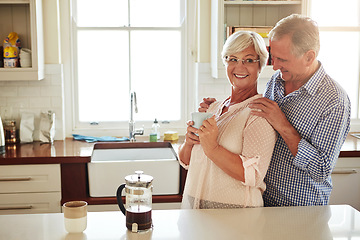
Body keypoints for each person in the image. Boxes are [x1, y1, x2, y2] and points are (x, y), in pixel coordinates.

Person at [199, 14, 351, 207]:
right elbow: (254, 112)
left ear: (309, 57)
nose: (275, 65)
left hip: (300, 210)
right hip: (262, 201)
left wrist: (283, 125)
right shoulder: (277, 81)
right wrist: (220, 107)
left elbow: (320, 169)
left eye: (282, 59)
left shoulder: (335, 101)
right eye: (273, 56)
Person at [178, 31, 277, 209]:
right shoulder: (213, 108)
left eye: (248, 60)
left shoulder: (259, 113)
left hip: (235, 218)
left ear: (260, 66)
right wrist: (189, 142)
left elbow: (253, 175)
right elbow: (186, 162)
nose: (239, 67)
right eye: (232, 59)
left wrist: (212, 147)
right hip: (195, 212)